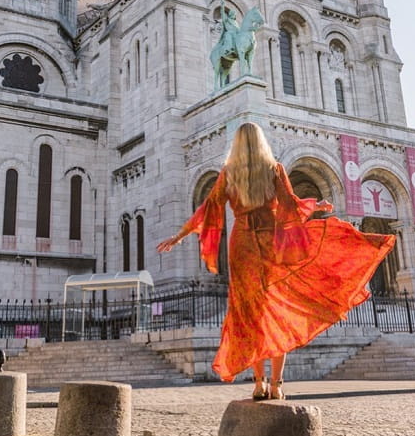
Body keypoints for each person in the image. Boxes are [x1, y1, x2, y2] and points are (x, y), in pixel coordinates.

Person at [157, 122, 395, 400]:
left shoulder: (229, 173)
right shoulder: (274, 170)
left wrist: (180, 234)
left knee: (250, 315)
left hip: (242, 246)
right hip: (272, 244)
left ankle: (258, 384)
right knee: (275, 311)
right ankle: (277, 385)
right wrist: (316, 207)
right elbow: (290, 206)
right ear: (261, 142)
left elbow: (209, 207)